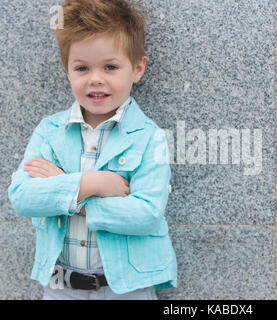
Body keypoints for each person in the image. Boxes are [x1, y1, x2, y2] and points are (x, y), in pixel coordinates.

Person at [7, 0, 177, 300]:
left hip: (127, 289)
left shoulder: (148, 137)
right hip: (61, 287)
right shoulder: (49, 132)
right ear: (67, 69)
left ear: (137, 68)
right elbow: (22, 196)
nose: (96, 78)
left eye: (110, 67)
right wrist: (91, 184)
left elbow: (146, 213)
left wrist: (71, 195)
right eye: (82, 68)